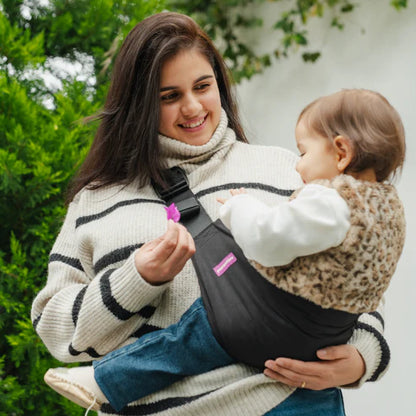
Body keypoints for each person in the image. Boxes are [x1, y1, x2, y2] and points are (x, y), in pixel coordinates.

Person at [31, 11, 393, 416]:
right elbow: (56, 330)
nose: (192, 107)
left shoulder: (290, 169)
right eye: (169, 96)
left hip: (286, 401)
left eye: (203, 86)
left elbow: (348, 276)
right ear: (139, 105)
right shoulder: (95, 201)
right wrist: (136, 279)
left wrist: (362, 356)